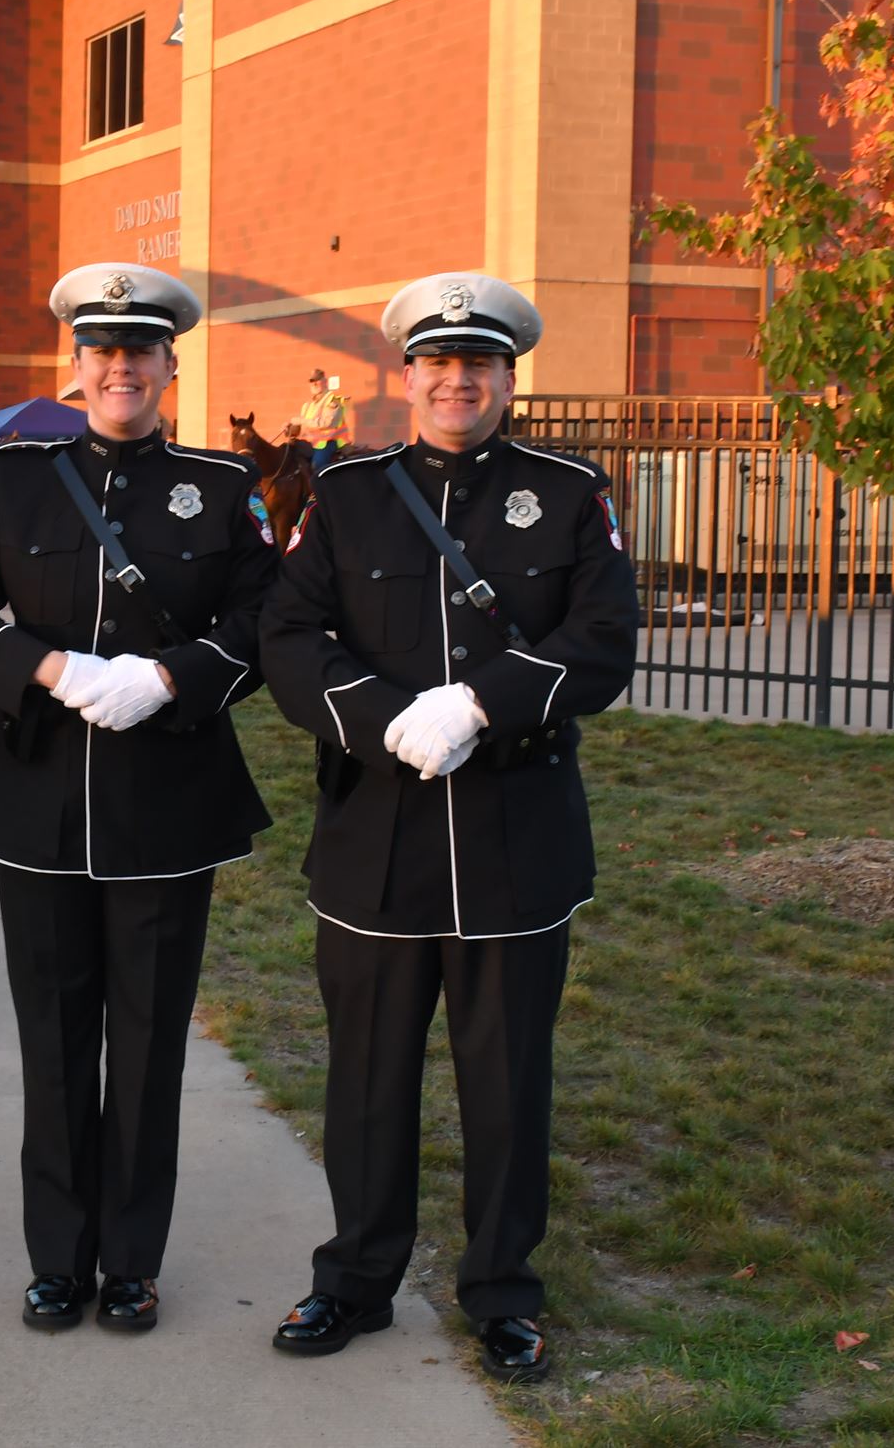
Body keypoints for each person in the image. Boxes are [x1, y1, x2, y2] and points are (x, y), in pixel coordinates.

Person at [257, 271, 636, 1377]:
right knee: (365, 1075)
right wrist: (381, 718)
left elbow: (602, 637)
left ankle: (502, 1288)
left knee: (507, 1077)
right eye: (435, 361)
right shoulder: (351, 493)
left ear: (506, 375)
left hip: (514, 829)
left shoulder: (567, 492)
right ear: (406, 374)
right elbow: (287, 636)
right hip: (375, 830)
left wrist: (479, 701)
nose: (455, 378)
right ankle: (354, 1276)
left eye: (478, 362)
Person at [0, 264, 276, 1334]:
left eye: (141, 350)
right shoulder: (17, 480)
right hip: (35, 800)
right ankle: (55, 1256)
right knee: (53, 1038)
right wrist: (47, 669)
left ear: (170, 363)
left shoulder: (221, 487)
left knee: (148, 1038)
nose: (120, 366)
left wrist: (169, 676)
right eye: (101, 349)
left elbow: (265, 621)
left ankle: (129, 1258)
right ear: (75, 367)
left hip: (167, 802)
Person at [297, 367, 351, 471]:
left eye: (318, 380)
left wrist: (301, 421)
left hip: (328, 443)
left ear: (325, 382)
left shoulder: (333, 400)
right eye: (312, 381)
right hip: (309, 444)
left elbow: (328, 423)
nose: (315, 384)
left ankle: (321, 486)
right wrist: (290, 427)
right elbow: (302, 427)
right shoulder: (307, 405)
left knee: (317, 466)